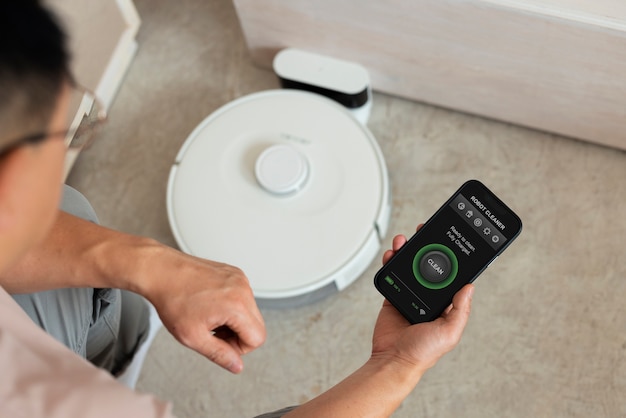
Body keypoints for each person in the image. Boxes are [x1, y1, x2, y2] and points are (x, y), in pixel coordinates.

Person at [0, 2, 474, 417]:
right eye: (72, 127)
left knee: (68, 210)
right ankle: (102, 366)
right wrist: (397, 365)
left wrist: (149, 261)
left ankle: (103, 356)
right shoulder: (48, 401)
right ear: (17, 168)